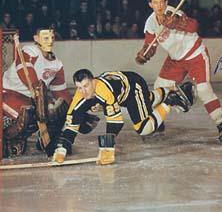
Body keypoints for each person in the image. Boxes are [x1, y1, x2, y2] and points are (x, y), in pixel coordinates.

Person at [135, 0, 222, 144]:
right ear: (150, 5)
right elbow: (150, 44)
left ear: (166, 3)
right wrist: (145, 54)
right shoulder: (150, 23)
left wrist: (177, 23)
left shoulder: (174, 12)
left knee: (203, 90)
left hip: (195, 55)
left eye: (162, 2)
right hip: (175, 60)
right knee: (160, 87)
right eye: (155, 3)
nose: (159, 6)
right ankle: (159, 124)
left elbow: (194, 26)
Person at [52, 69, 195, 165]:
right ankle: (172, 89)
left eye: (86, 86)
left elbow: (115, 122)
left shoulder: (104, 91)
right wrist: (62, 149)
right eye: (79, 87)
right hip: (123, 89)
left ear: (93, 81)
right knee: (148, 99)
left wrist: (107, 148)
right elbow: (72, 123)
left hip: (133, 87)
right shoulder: (80, 95)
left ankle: (171, 101)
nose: (83, 91)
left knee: (143, 128)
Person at [2, 28, 71, 157]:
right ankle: (6, 137)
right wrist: (36, 88)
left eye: (52, 37)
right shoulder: (30, 50)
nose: (50, 41)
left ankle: (43, 139)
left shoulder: (57, 64)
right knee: (28, 113)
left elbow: (61, 94)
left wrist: (75, 111)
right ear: (36, 39)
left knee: (56, 109)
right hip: (6, 93)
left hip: (30, 98)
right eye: (45, 38)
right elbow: (25, 70)